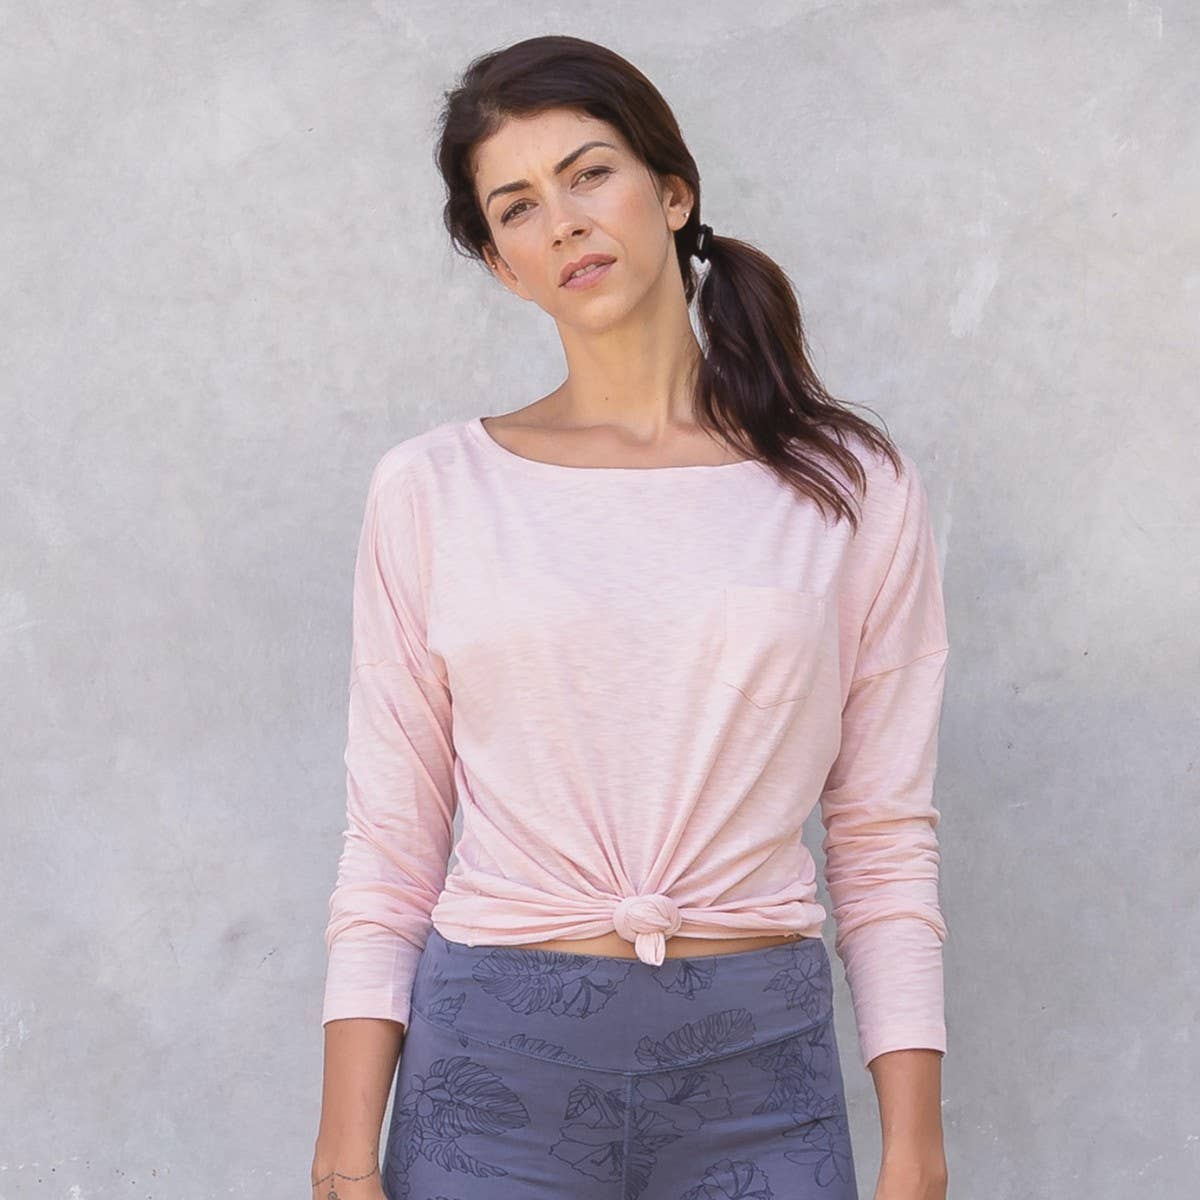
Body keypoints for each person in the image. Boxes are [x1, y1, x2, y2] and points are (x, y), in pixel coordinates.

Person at [312, 34, 951, 1200]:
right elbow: (392, 843)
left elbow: (880, 834)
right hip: (493, 1077)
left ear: (671, 192)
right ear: (501, 263)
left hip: (759, 1077)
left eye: (589, 174)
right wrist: (343, 1158)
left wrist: (916, 1149)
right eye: (517, 206)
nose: (563, 223)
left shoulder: (848, 485)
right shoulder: (434, 490)